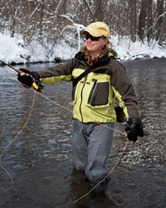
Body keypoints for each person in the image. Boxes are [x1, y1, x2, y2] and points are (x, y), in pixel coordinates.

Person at [18, 22, 144, 189]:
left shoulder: (113, 68)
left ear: (105, 41)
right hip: (78, 122)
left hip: (101, 125)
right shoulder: (77, 62)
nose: (89, 40)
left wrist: (133, 120)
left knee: (96, 173)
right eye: (87, 37)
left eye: (93, 37)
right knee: (79, 167)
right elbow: (57, 73)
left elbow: (127, 97)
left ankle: (98, 199)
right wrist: (34, 76)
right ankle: (79, 196)